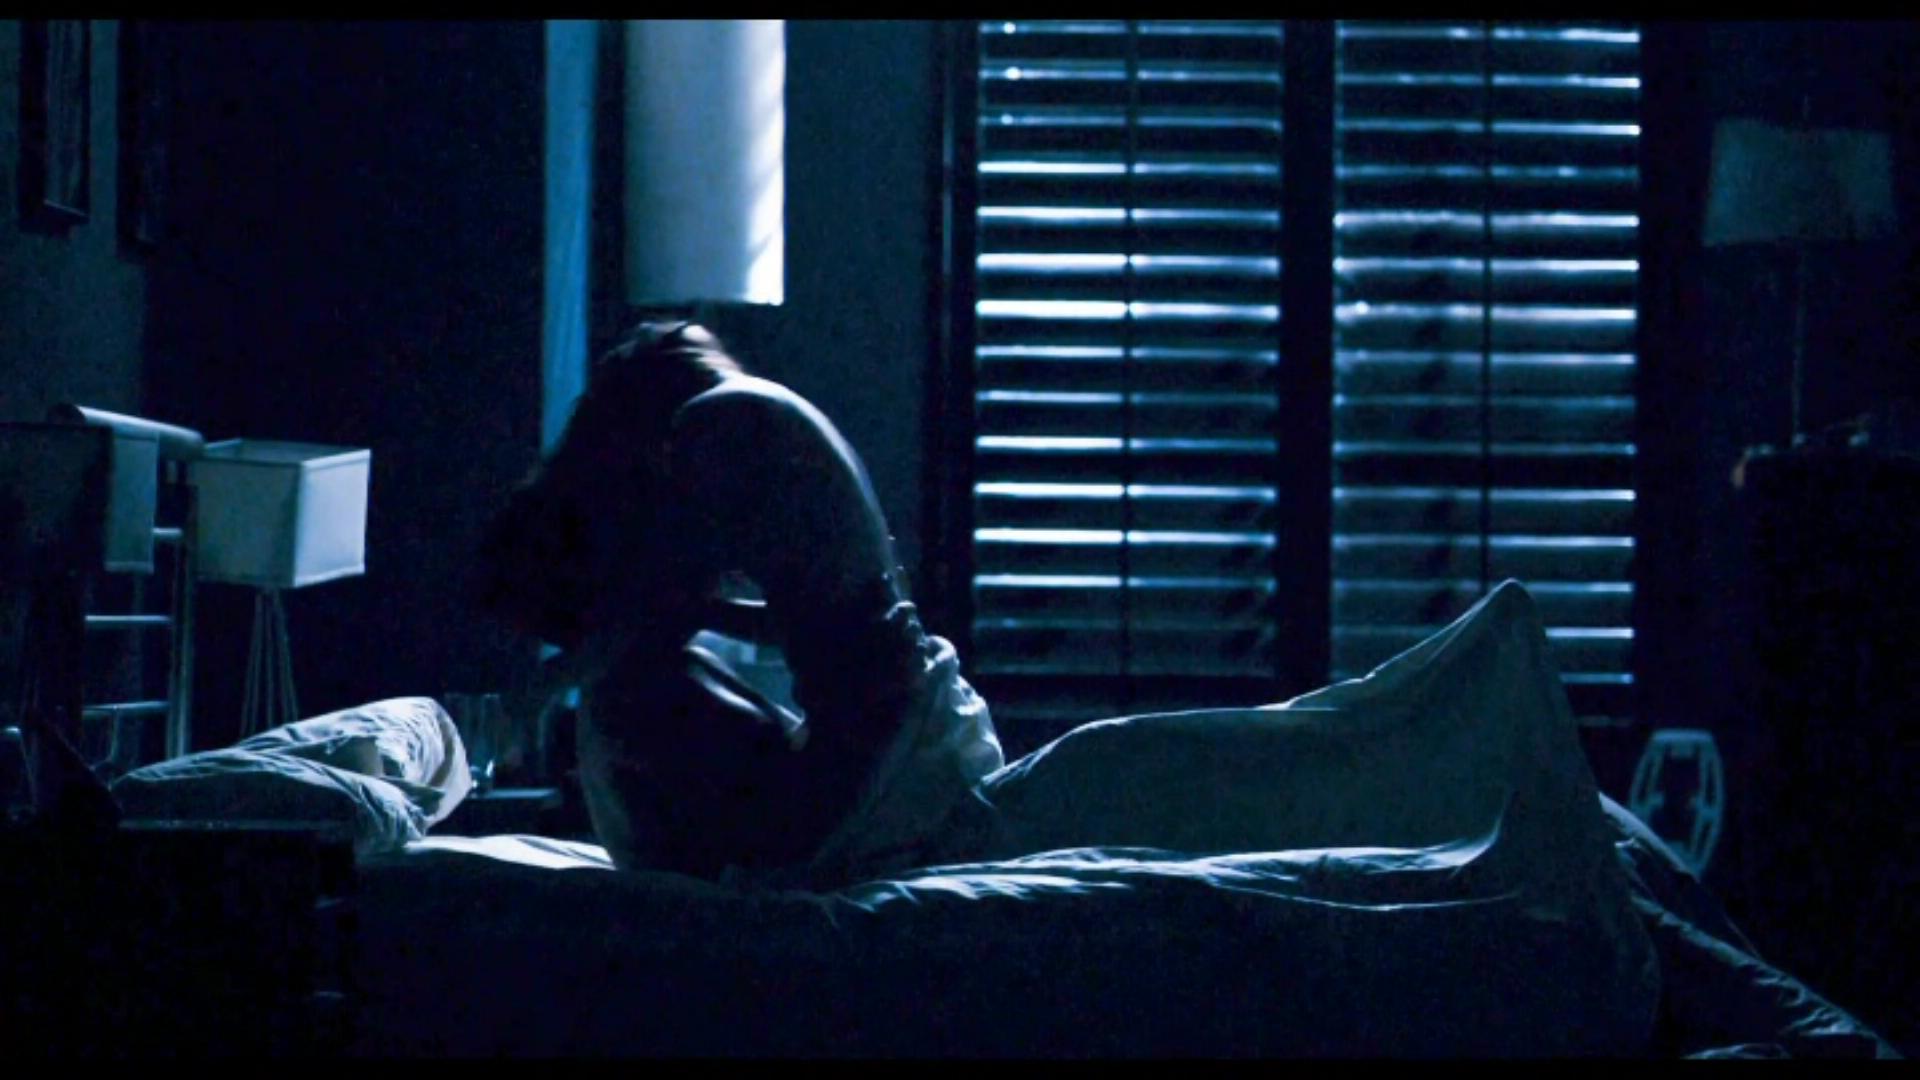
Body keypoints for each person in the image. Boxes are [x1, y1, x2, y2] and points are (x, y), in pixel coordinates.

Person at [475, 321, 1002, 885]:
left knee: (633, 687)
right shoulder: (755, 411)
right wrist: (700, 614)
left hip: (886, 730)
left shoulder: (715, 422)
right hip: (911, 703)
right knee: (651, 682)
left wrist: (540, 690)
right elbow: (810, 619)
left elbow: (657, 617)